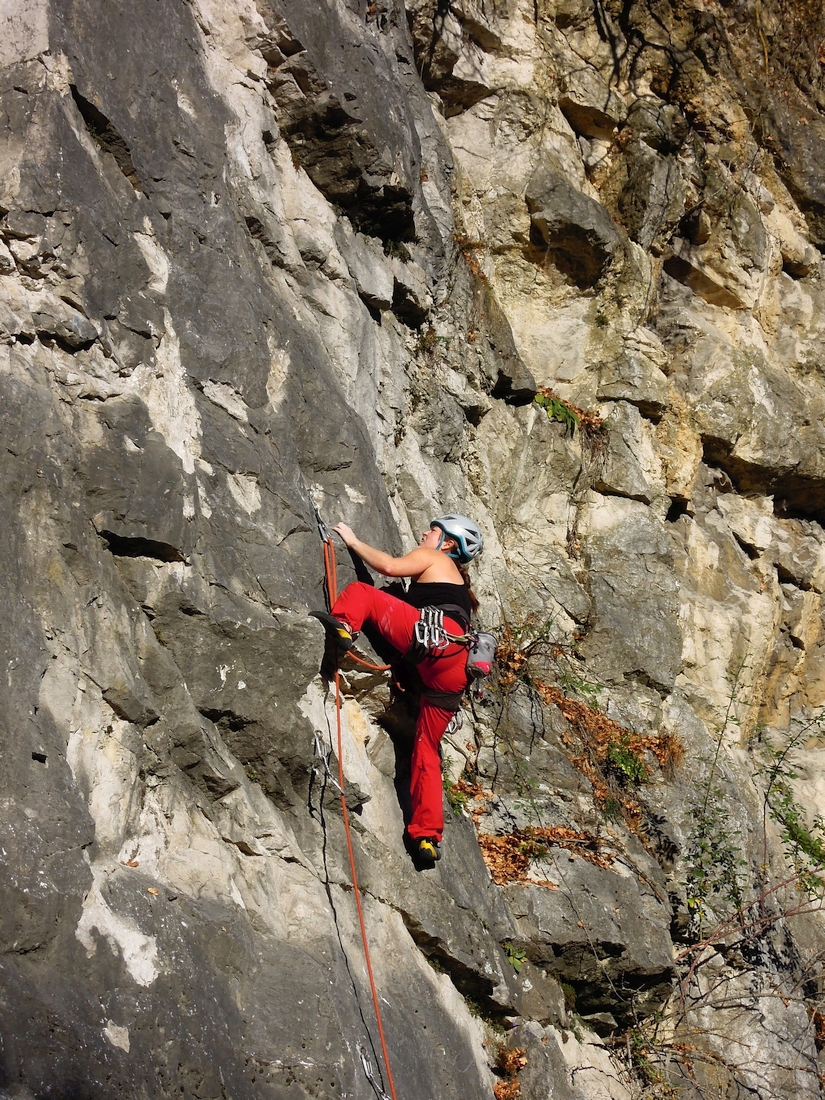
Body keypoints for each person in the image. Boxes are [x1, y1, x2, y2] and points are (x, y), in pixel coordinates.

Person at [313, 514, 483, 868]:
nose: (425, 532)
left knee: (363, 593)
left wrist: (353, 541)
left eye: (433, 530)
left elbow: (390, 567)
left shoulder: (436, 558)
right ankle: (426, 836)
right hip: (453, 670)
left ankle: (344, 625)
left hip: (431, 640)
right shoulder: (460, 589)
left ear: (448, 543)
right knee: (426, 749)